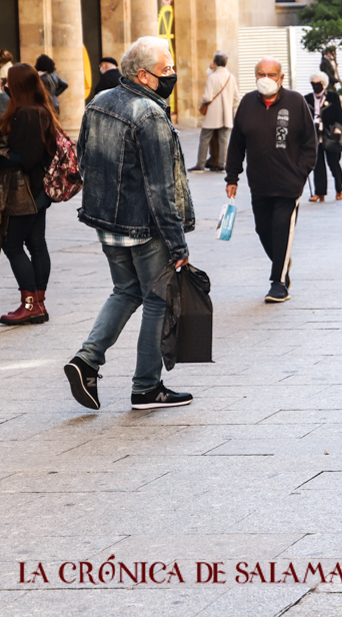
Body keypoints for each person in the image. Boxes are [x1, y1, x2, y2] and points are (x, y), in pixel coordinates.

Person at [64, 36, 194, 411]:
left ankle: (87, 359)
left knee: (125, 291)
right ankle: (146, 387)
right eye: (166, 70)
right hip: (143, 226)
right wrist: (177, 243)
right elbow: (160, 187)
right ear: (144, 75)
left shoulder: (99, 103)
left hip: (108, 223)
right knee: (156, 299)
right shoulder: (149, 114)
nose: (172, 75)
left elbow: (84, 160)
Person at [225, 57, 317, 303]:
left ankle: (278, 282)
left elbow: (311, 144)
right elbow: (236, 144)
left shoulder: (296, 102)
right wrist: (232, 176)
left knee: (281, 230)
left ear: (281, 78)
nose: (266, 79)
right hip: (259, 184)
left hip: (289, 185)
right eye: (261, 74)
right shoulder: (247, 103)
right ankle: (282, 261)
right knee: (263, 230)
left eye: (271, 74)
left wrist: (300, 173)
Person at [0, 64, 58, 325]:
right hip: (38, 190)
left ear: (18, 85)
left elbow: (24, 158)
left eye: (9, 82)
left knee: (12, 245)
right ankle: (38, 304)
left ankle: (30, 304)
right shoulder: (42, 110)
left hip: (26, 192)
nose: (5, 86)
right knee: (36, 244)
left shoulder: (27, 114)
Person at [193, 51, 239, 171]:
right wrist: (230, 107)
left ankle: (200, 164)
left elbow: (208, 97)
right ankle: (222, 164)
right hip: (226, 115)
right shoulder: (231, 77)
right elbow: (236, 98)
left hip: (213, 114)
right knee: (223, 139)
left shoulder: (212, 77)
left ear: (215, 63)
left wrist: (201, 101)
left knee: (204, 138)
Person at [305, 72, 342, 202]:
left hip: (330, 134)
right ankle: (319, 192)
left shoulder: (332, 97)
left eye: (318, 84)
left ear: (323, 84)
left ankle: (339, 189)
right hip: (315, 135)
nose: (315, 86)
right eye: (313, 84)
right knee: (317, 164)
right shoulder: (307, 99)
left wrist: (338, 129)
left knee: (333, 163)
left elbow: (340, 115)